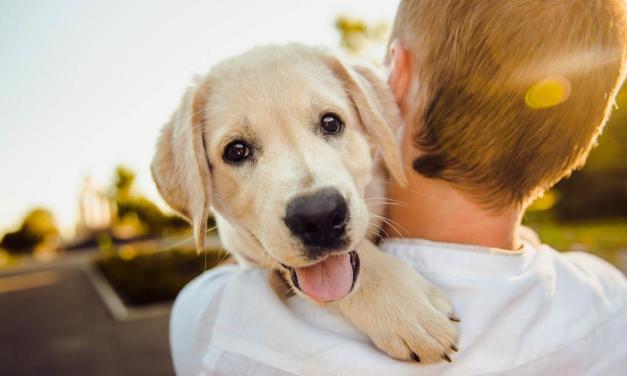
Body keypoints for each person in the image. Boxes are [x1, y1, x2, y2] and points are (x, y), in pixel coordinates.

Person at [170, 0, 627, 374]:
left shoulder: (215, 326)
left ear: (392, 85)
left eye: (330, 124)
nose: (311, 197)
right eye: (238, 152)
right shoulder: (609, 303)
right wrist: (365, 277)